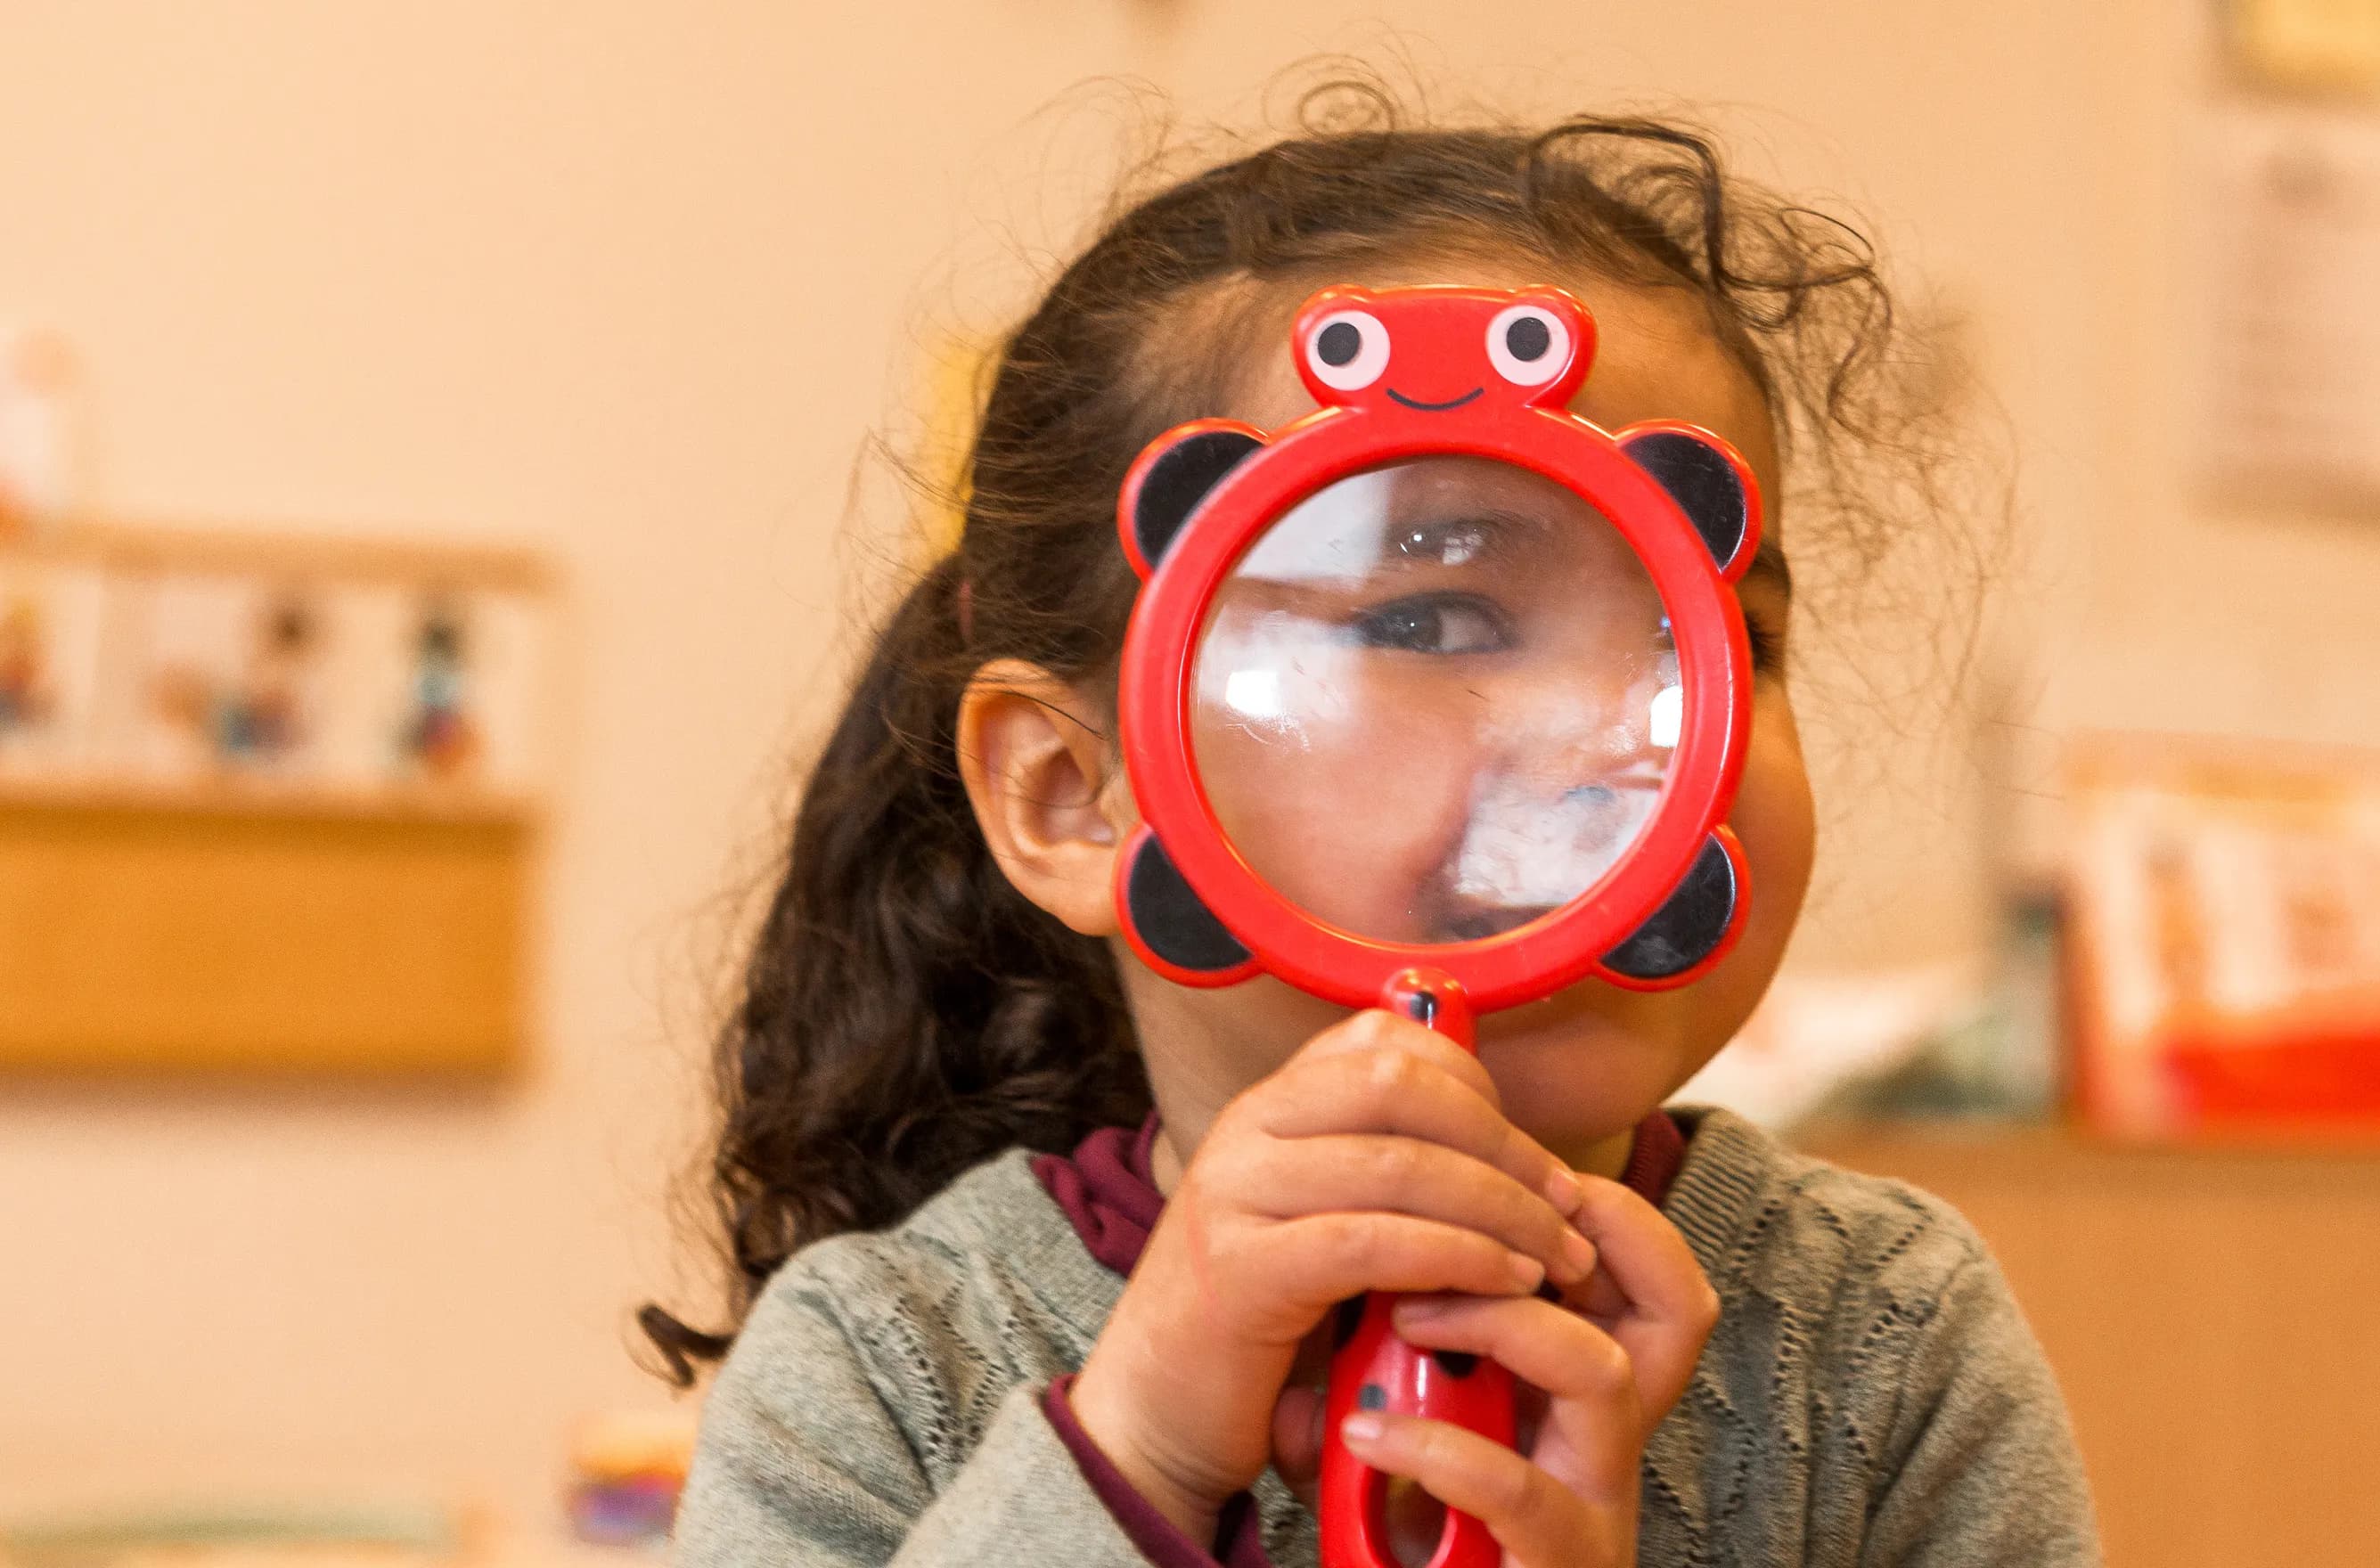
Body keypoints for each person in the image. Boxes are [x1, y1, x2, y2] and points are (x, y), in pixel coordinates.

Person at [657, 89, 2098, 1568]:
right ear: (1075, 793)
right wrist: (1138, 1450)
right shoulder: (885, 1364)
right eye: (1433, 615)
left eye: (1721, 634)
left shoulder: (1889, 1338)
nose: (1619, 740)